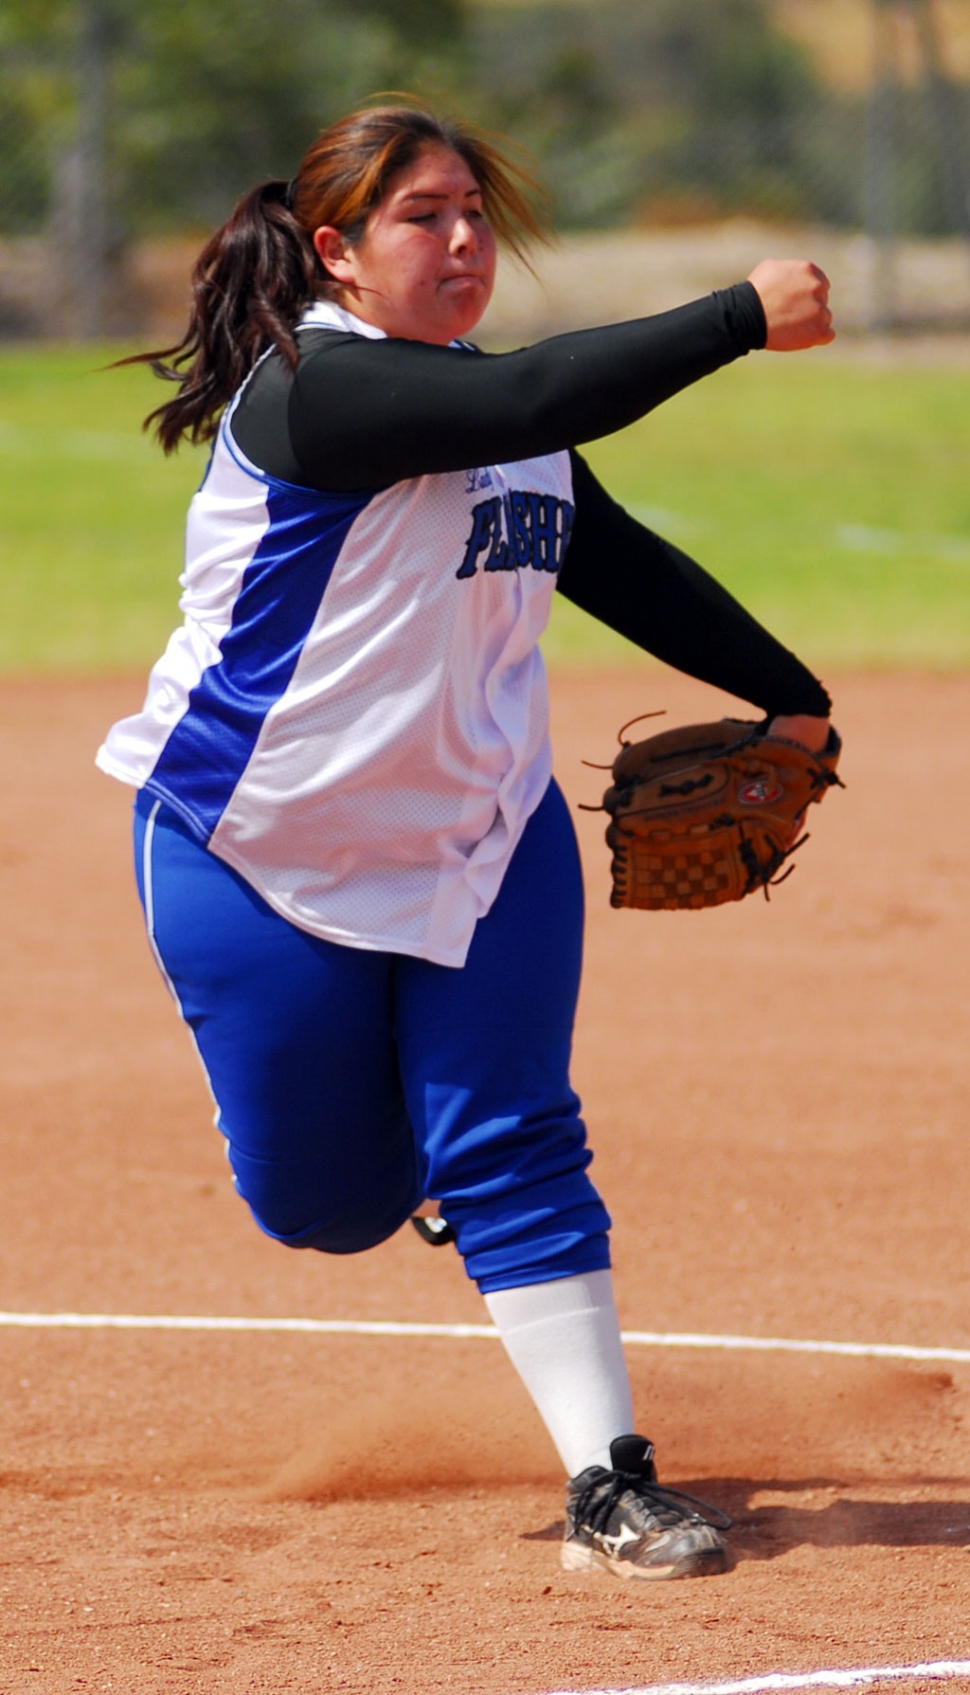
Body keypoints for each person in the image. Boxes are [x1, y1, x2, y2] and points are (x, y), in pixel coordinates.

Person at [97, 101, 834, 1583]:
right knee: (327, 1205)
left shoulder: (495, 415)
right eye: (423, 216)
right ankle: (415, 1173)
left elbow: (610, 557)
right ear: (336, 253)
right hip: (257, 850)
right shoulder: (316, 392)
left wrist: (791, 700)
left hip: (486, 836)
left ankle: (607, 1482)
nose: (461, 241)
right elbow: (517, 405)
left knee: (513, 1135)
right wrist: (737, 315)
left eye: (475, 216)